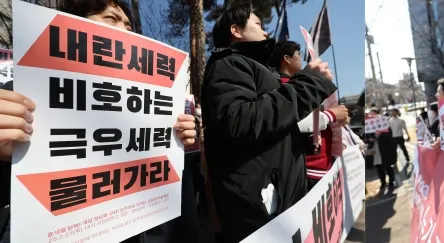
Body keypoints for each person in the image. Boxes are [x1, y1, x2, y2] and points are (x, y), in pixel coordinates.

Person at [0, 1, 199, 243]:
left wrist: (178, 142)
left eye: (129, 26)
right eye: (111, 19)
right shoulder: (20, 95)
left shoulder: (156, 103)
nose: (125, 31)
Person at [201, 4, 337, 242]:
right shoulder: (229, 64)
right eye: (258, 25)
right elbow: (240, 122)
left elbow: (274, 126)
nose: (266, 33)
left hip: (282, 202)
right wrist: (311, 83)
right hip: (260, 207)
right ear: (236, 30)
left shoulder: (258, 70)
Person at [270, 40, 349, 189]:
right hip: (307, 169)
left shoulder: (303, 87)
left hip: (323, 165)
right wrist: (332, 115)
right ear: (286, 59)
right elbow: (296, 121)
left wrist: (340, 118)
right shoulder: (280, 87)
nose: (302, 58)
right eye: (298, 54)